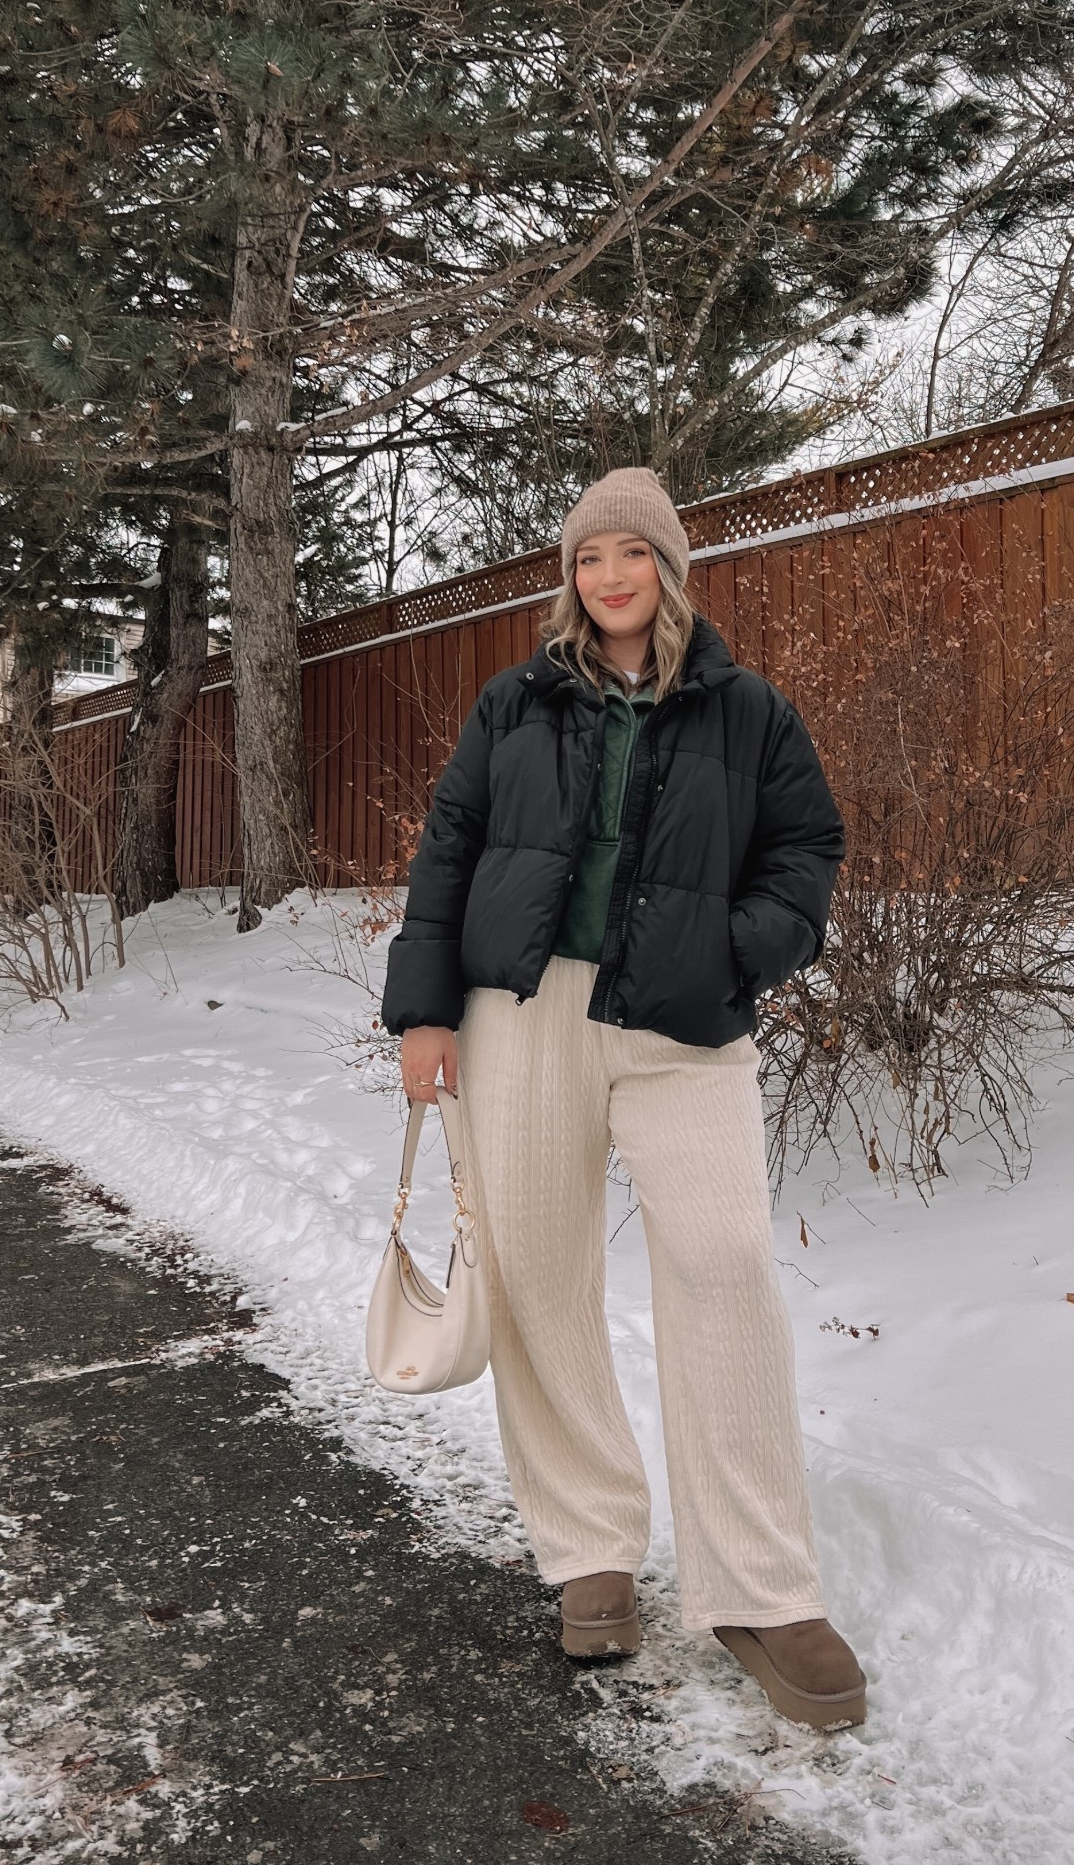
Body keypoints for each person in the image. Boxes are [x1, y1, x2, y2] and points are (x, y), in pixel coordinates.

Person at [381, 466, 866, 1731]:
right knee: (541, 1277)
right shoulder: (517, 699)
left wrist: (740, 949)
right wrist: (424, 1009)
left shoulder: (745, 707)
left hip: (679, 1024)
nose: (608, 578)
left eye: (630, 555)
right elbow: (449, 848)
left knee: (722, 1261)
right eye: (589, 558)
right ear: (570, 575)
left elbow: (808, 849)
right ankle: (590, 1546)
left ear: (669, 565)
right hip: (521, 1017)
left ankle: (763, 1585)